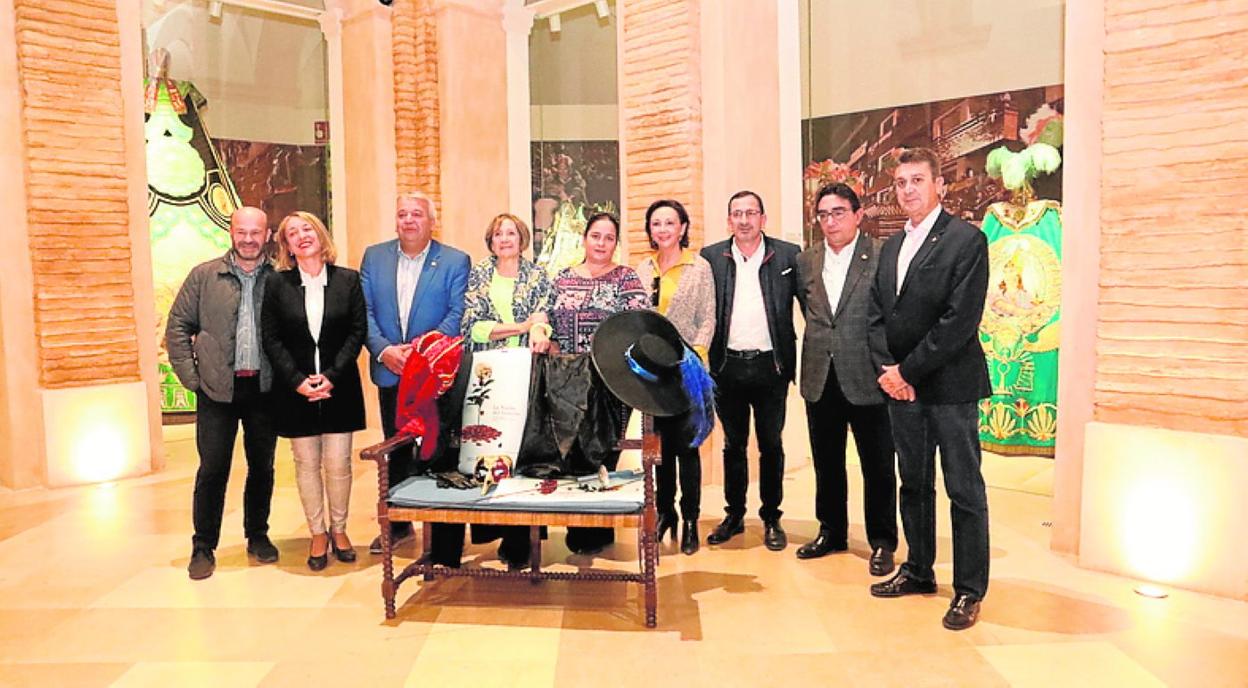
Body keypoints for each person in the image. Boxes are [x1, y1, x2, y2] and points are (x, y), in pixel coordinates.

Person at [867, 147, 992, 631]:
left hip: (949, 387)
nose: (908, 190)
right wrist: (888, 370)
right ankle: (919, 569)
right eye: (901, 182)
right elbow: (876, 315)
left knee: (963, 489)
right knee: (914, 483)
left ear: (939, 185)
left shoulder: (966, 240)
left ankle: (968, 590)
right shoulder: (892, 247)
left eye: (917, 180)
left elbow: (958, 321)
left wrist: (908, 372)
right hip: (902, 390)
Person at [428, 213, 555, 569]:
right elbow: (474, 328)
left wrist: (538, 330)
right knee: (485, 443)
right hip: (486, 372)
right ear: (490, 240)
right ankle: (489, 527)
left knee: (521, 449)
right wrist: (521, 325)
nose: (505, 239)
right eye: (498, 233)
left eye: (511, 233)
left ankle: (519, 541)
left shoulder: (538, 276)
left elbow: (544, 320)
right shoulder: (479, 275)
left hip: (526, 373)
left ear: (522, 238)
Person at [166, 206, 279, 580]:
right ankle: (203, 545)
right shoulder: (204, 276)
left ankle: (258, 535)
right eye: (242, 231)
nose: (248, 239)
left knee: (262, 467)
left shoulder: (278, 278)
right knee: (213, 468)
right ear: (231, 232)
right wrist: (191, 377)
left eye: (256, 232)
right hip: (216, 390)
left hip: (264, 389)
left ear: (267, 235)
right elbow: (178, 326)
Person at [795, 184, 898, 575]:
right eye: (823, 214)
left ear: (858, 215)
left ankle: (883, 542)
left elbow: (893, 314)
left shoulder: (882, 256)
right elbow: (812, 313)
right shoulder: (807, 261)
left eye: (839, 212)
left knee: (877, 465)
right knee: (827, 462)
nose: (831, 221)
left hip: (869, 377)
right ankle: (831, 531)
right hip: (821, 375)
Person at [360, 192, 470, 554]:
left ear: (432, 221)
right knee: (398, 448)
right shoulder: (374, 257)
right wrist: (384, 350)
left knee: (437, 450)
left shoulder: (455, 260)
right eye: (403, 214)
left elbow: (455, 315)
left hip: (435, 375)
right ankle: (400, 524)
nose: (409, 220)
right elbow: (366, 313)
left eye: (417, 214)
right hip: (391, 370)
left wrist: (423, 355)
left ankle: (440, 535)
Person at [261, 212, 367, 571]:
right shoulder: (277, 285)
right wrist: (297, 381)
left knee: (338, 465)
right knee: (306, 465)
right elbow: (271, 338)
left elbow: (357, 331)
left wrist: (333, 376)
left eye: (307, 229)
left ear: (321, 235)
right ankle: (317, 533)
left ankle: (339, 530)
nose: (301, 236)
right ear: (287, 246)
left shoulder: (348, 280)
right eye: (293, 233)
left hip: (341, 387)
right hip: (295, 390)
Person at [700, 191, 801, 551]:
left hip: (770, 366)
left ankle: (772, 517)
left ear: (763, 217)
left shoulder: (788, 256)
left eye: (751, 213)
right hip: (727, 367)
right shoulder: (711, 257)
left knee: (771, 444)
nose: (744, 220)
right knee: (733, 445)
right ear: (729, 220)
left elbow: (811, 308)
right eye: (737, 214)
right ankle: (735, 515)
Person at [548, 212, 649, 554]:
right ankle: (576, 522)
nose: (601, 243)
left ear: (615, 243)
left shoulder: (626, 279)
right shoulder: (562, 278)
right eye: (595, 236)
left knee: (603, 450)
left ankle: (600, 525)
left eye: (608, 237)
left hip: (610, 382)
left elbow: (638, 325)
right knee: (572, 450)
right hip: (568, 379)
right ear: (584, 239)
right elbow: (548, 321)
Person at [635, 199, 715, 555]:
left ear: (683, 227)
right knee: (660, 452)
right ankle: (665, 514)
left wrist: (695, 358)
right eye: (657, 224)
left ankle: (691, 521)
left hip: (687, 373)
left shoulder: (699, 267)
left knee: (687, 450)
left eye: (670, 222)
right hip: (653, 374)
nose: (663, 230)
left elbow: (708, 317)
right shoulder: (642, 268)